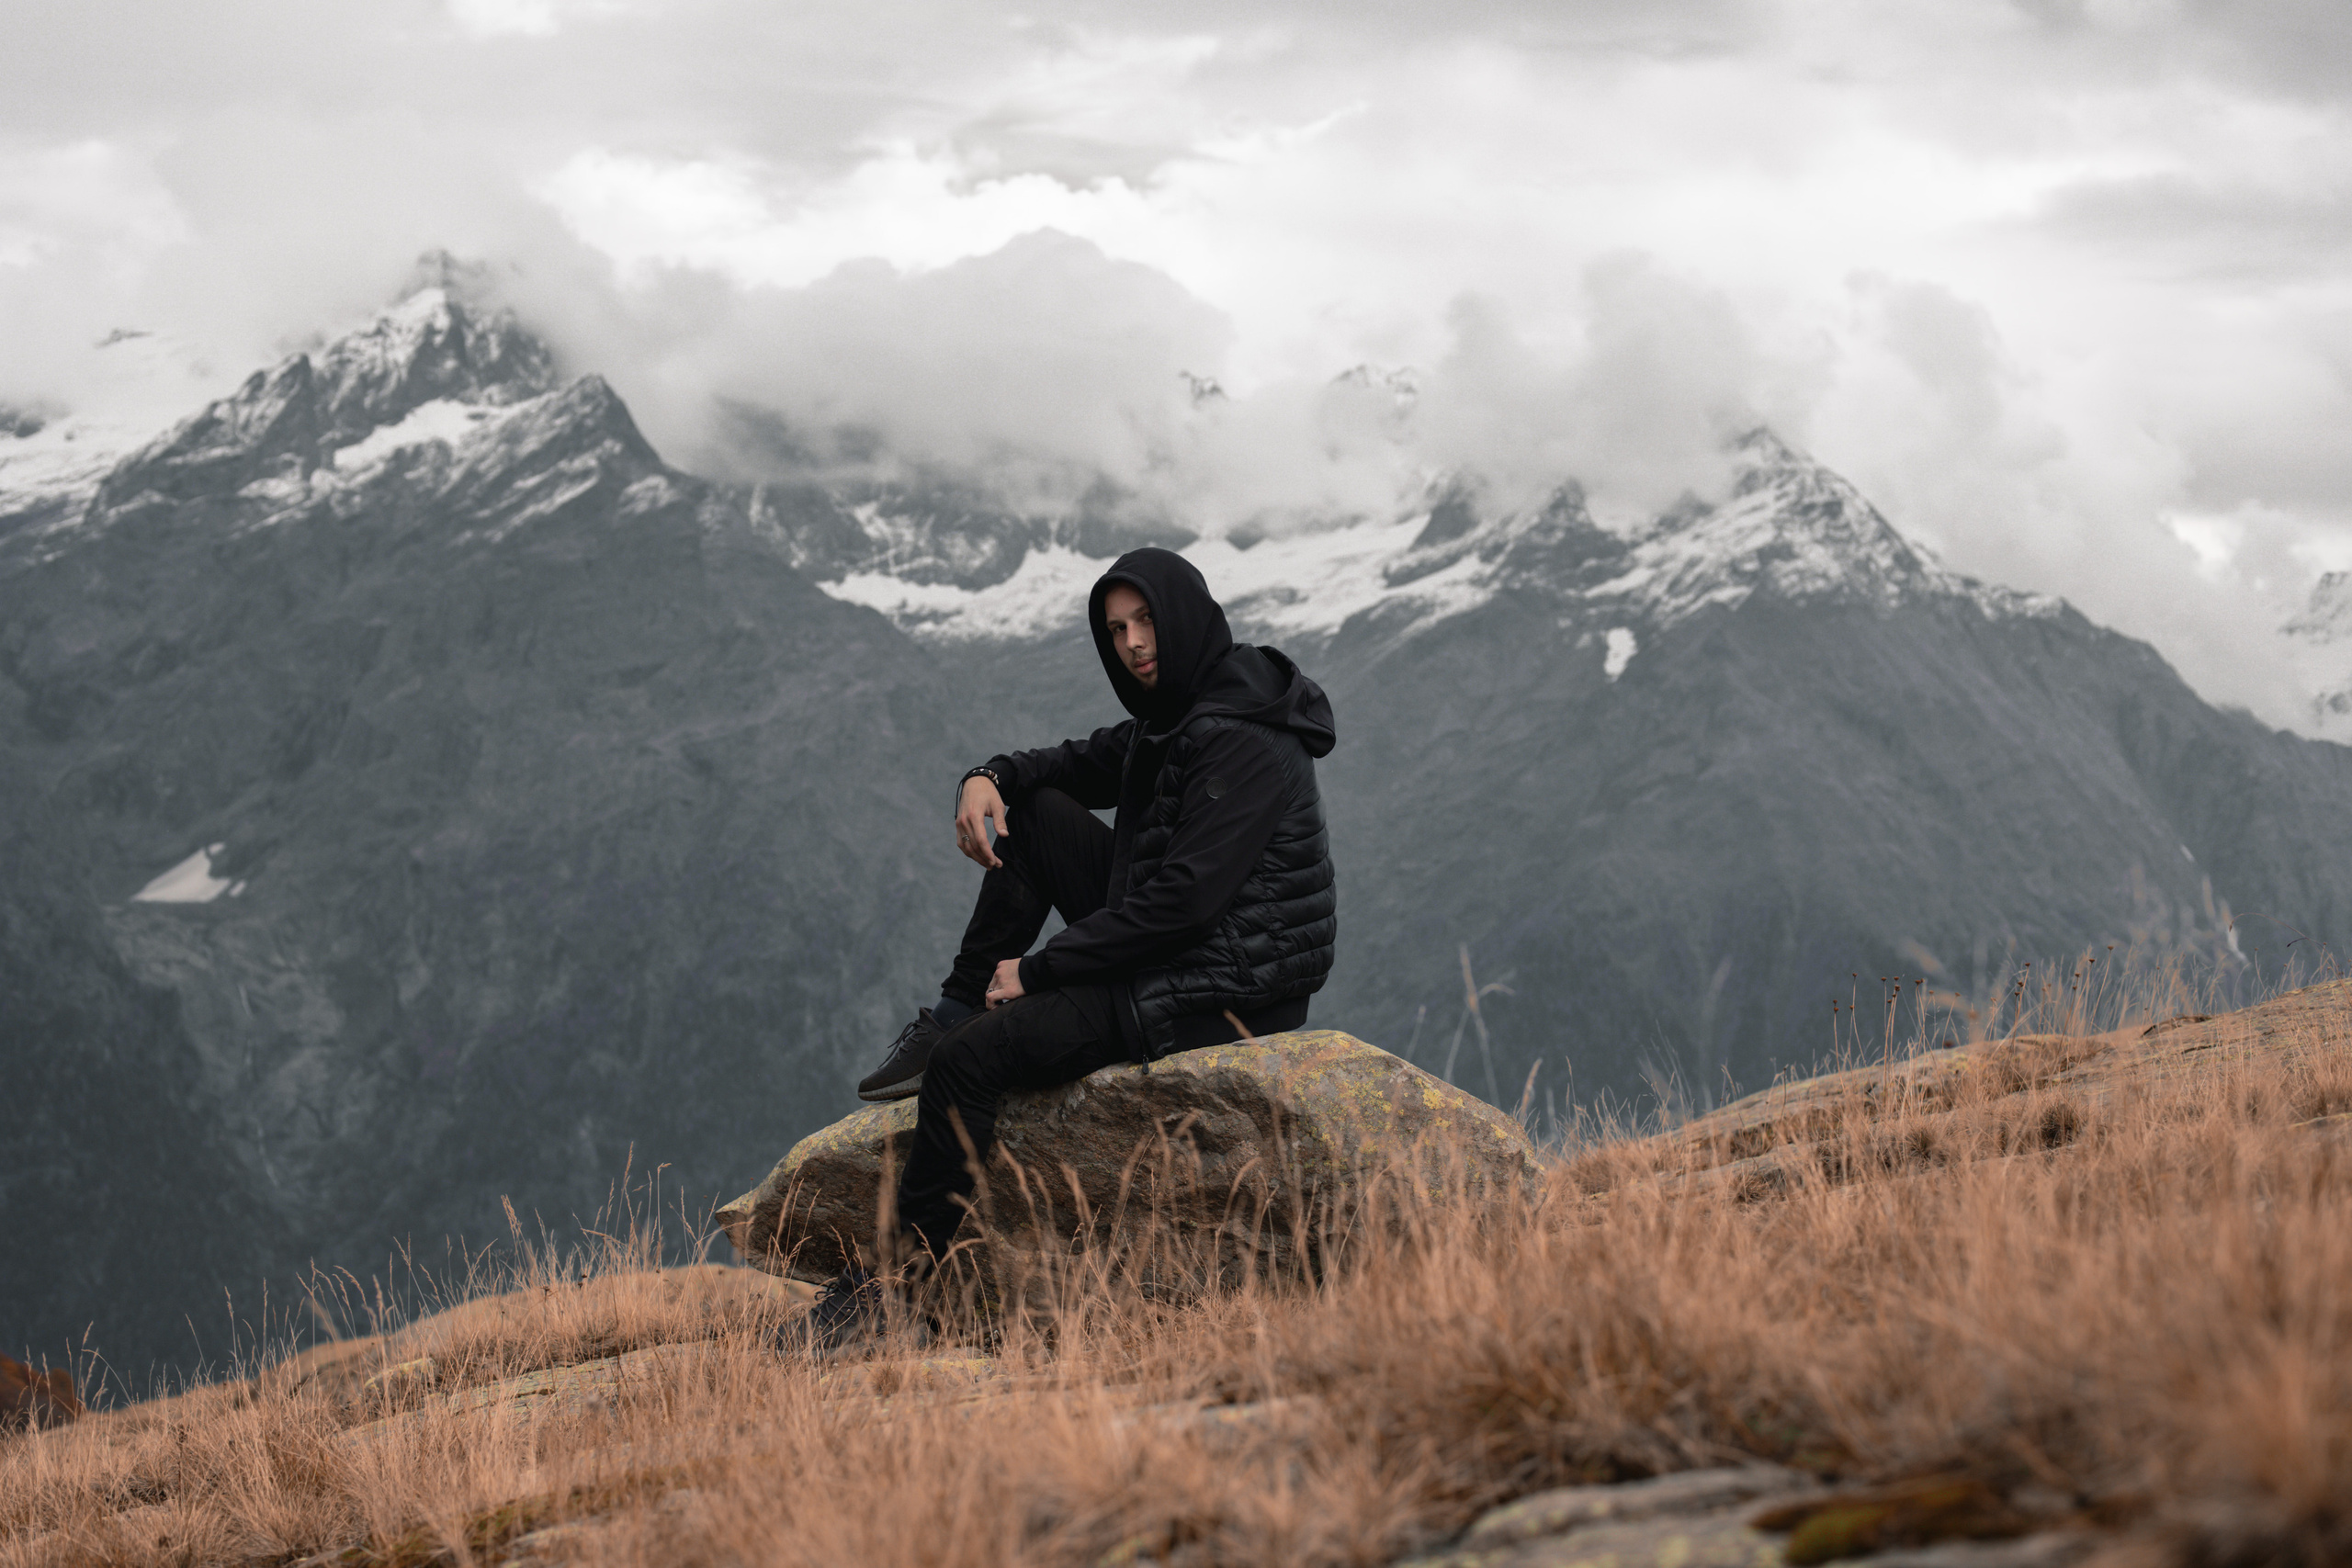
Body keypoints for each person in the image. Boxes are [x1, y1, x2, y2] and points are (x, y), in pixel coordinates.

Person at [801, 547, 1337, 1348]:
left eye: (1145, 620)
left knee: (970, 1065)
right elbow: (1072, 767)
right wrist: (986, 777)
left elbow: (1186, 903)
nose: (1131, 642)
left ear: (1184, 614)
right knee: (1041, 813)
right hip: (1183, 951)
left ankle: (898, 1292)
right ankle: (951, 1009)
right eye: (1116, 628)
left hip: (1226, 983)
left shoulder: (1239, 738)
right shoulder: (1182, 712)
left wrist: (1041, 970)